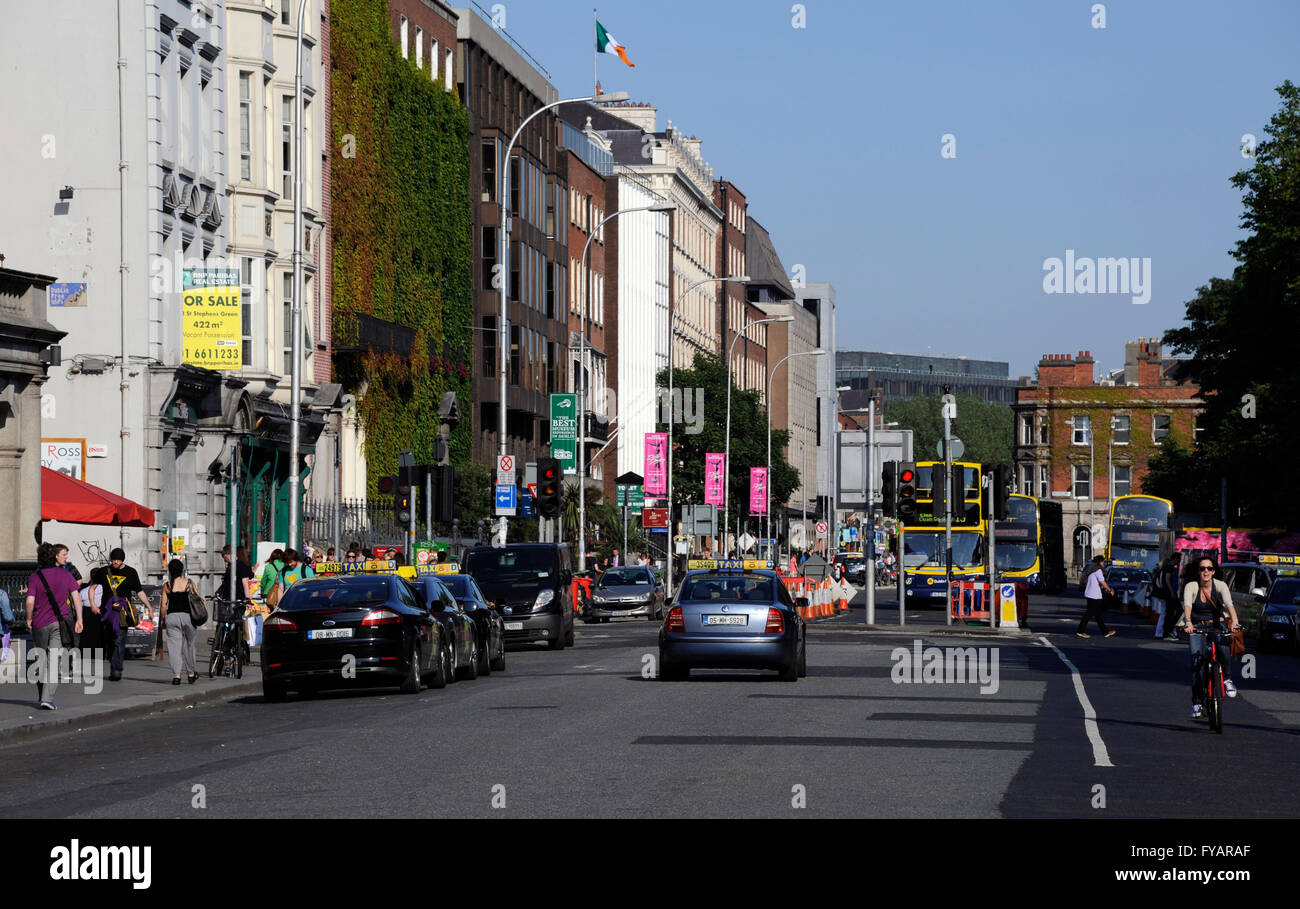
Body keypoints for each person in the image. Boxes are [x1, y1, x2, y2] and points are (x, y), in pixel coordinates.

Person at [24, 543, 85, 709]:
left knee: (40, 659)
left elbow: (29, 601)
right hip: (59, 622)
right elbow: (76, 597)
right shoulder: (65, 574)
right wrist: (79, 619)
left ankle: (42, 694)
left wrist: (29, 618)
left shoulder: (35, 577)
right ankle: (47, 698)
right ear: (54, 557)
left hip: (39, 623)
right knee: (53, 660)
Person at [1179, 555, 1241, 718]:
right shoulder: (1191, 586)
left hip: (1217, 624)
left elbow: (1229, 604)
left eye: (1209, 568)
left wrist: (1234, 621)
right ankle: (1197, 703)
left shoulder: (1220, 585)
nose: (1206, 571)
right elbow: (1187, 605)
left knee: (1223, 648)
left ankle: (1227, 679)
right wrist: (1188, 622)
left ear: (1214, 571)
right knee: (1196, 664)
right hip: (1196, 625)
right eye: (1202, 568)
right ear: (1198, 571)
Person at [88, 547, 154, 682]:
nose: (115, 562)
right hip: (107, 613)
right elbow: (92, 588)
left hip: (123, 613)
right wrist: (93, 604)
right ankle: (114, 663)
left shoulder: (131, 572)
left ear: (122, 560)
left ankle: (116, 670)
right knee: (110, 640)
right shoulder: (103, 571)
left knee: (119, 639)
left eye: (118, 560)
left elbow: (140, 592)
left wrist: (149, 607)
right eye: (113, 560)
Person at [161, 558, 201, 685]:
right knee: (189, 645)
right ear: (182, 570)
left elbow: (163, 606)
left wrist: (163, 619)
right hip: (188, 617)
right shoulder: (189, 583)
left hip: (172, 617)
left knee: (174, 648)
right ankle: (191, 674)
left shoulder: (167, 585)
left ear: (170, 571)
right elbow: (198, 599)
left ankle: (176, 676)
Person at [1076, 555, 1116, 638]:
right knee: (1089, 614)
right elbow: (1102, 582)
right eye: (1103, 562)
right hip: (1094, 595)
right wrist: (1110, 590)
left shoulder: (1091, 569)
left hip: (1091, 594)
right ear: (1100, 562)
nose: (1103, 563)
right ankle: (1080, 631)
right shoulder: (1098, 570)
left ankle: (1105, 632)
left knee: (1098, 615)